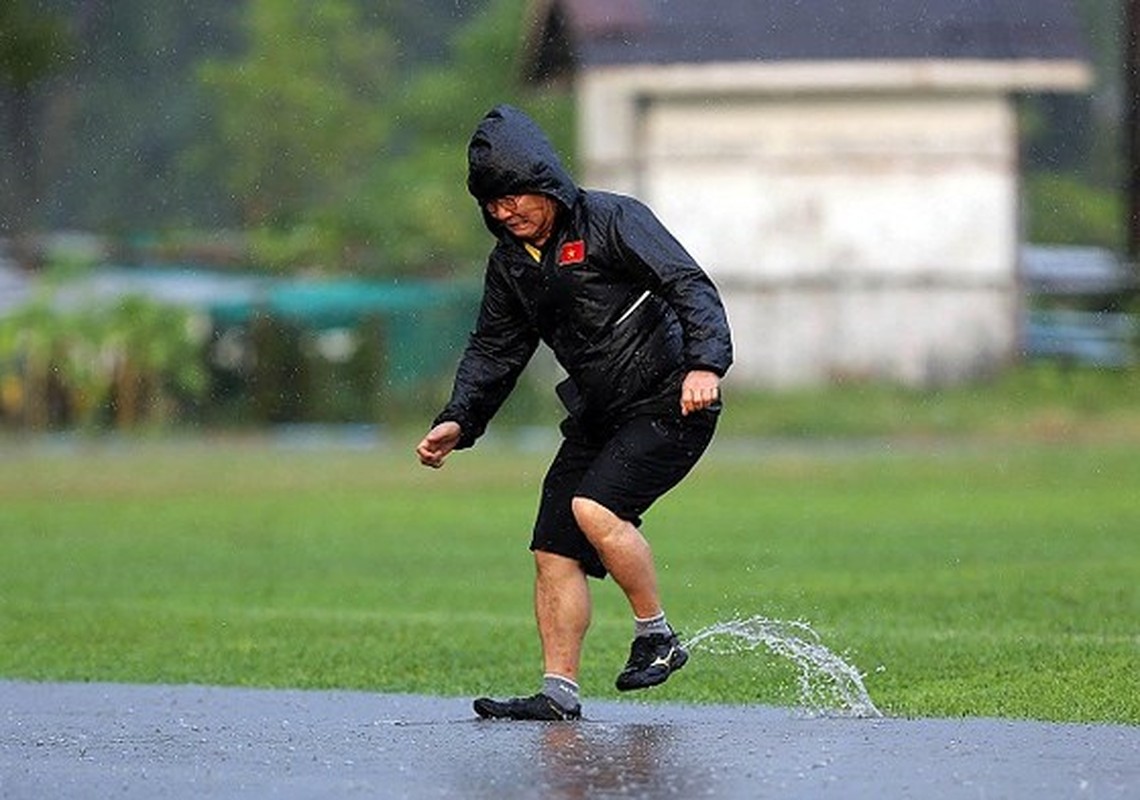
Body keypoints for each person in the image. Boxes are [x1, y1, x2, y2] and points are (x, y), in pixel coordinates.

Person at [416, 105, 733, 721]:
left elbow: (688, 286)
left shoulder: (613, 219)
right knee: (553, 547)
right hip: (600, 412)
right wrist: (461, 417)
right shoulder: (510, 264)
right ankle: (558, 693)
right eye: (493, 204)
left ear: (547, 183)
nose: (507, 212)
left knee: (594, 508)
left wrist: (705, 366)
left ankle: (657, 636)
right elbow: (494, 349)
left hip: (672, 400)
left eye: (516, 197)